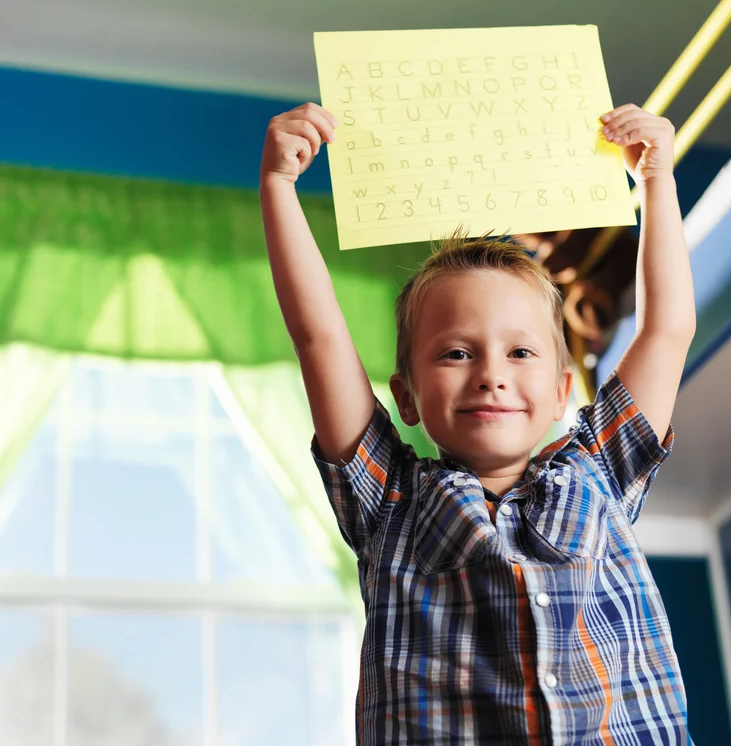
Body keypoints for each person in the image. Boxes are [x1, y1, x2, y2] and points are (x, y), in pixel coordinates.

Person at [260, 100, 696, 745]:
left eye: (520, 352)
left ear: (559, 393)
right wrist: (278, 187)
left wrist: (657, 182)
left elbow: (667, 330)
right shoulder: (388, 501)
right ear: (405, 398)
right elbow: (318, 336)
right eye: (457, 353)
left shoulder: (600, 470)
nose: (491, 374)